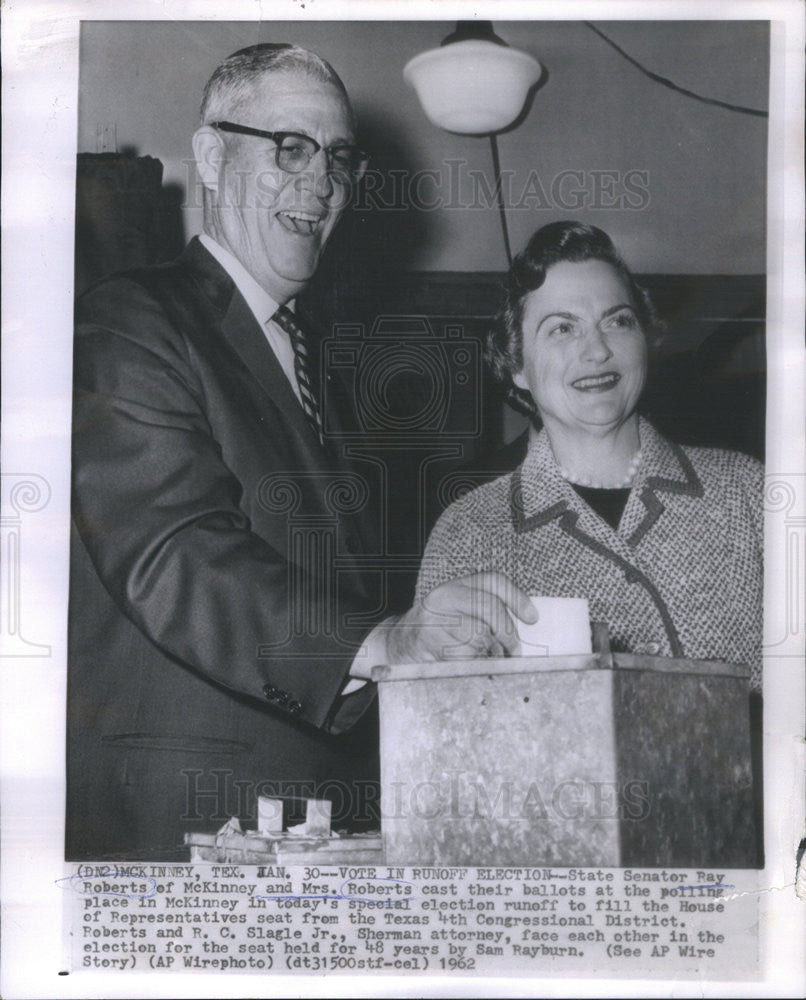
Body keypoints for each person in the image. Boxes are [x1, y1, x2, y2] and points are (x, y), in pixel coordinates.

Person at [67, 43, 536, 861]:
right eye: (290, 146)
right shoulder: (132, 322)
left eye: (340, 157)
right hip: (178, 831)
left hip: (319, 831)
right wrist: (383, 642)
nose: (321, 183)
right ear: (212, 156)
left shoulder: (328, 362)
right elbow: (177, 552)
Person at [417, 221, 764, 687]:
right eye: (562, 328)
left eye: (618, 320)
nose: (597, 350)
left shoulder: (749, 492)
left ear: (646, 337)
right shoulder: (467, 533)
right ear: (517, 364)